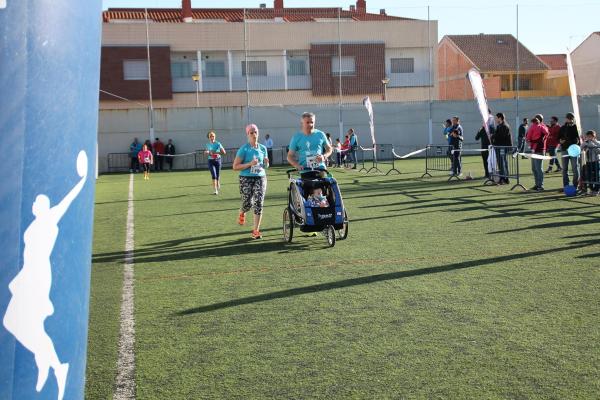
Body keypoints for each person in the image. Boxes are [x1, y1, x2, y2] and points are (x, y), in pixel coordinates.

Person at [233, 124, 269, 239]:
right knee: (247, 203)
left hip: (260, 177)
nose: (254, 135)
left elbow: (265, 166)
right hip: (246, 178)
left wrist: (267, 163)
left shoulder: (263, 148)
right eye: (251, 133)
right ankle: (242, 211)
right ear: (247, 134)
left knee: (259, 203)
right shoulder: (244, 149)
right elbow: (235, 166)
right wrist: (249, 164)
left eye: (256, 132)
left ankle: (256, 231)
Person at [558, 112, 581, 193]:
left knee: (575, 168)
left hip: (574, 150)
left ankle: (576, 186)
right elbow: (559, 137)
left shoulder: (576, 127)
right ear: (566, 118)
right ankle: (566, 186)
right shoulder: (563, 127)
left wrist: (574, 143)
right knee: (564, 169)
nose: (570, 119)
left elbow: (578, 139)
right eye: (568, 118)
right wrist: (560, 141)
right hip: (564, 150)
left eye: (571, 118)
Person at [525, 115, 548, 191]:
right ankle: (537, 184)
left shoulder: (542, 127)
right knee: (534, 168)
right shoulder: (534, 126)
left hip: (540, 150)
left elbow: (546, 135)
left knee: (538, 168)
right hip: (534, 150)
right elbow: (528, 136)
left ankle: (540, 186)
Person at [492, 113, 513, 184]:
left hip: (502, 147)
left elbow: (501, 137)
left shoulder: (504, 126)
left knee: (502, 163)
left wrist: (493, 136)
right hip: (499, 147)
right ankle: (504, 178)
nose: (496, 119)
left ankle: (504, 178)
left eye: (497, 118)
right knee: (502, 163)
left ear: (500, 118)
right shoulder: (499, 126)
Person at [205, 131, 226, 195]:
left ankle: (218, 181)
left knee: (217, 175)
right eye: (210, 136)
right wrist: (206, 152)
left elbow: (224, 152)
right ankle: (215, 190)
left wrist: (216, 152)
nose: (212, 138)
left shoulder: (218, 143)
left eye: (213, 136)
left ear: (215, 137)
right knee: (214, 175)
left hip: (217, 160)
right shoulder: (207, 144)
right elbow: (207, 152)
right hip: (210, 161)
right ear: (209, 138)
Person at [581, 130, 600, 195]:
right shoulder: (585, 142)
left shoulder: (597, 142)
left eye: (590, 136)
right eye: (588, 136)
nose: (589, 138)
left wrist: (593, 145)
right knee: (589, 176)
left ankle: (596, 190)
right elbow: (581, 149)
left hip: (596, 161)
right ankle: (591, 189)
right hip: (588, 162)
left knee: (597, 176)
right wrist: (583, 146)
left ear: (594, 136)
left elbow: (598, 152)